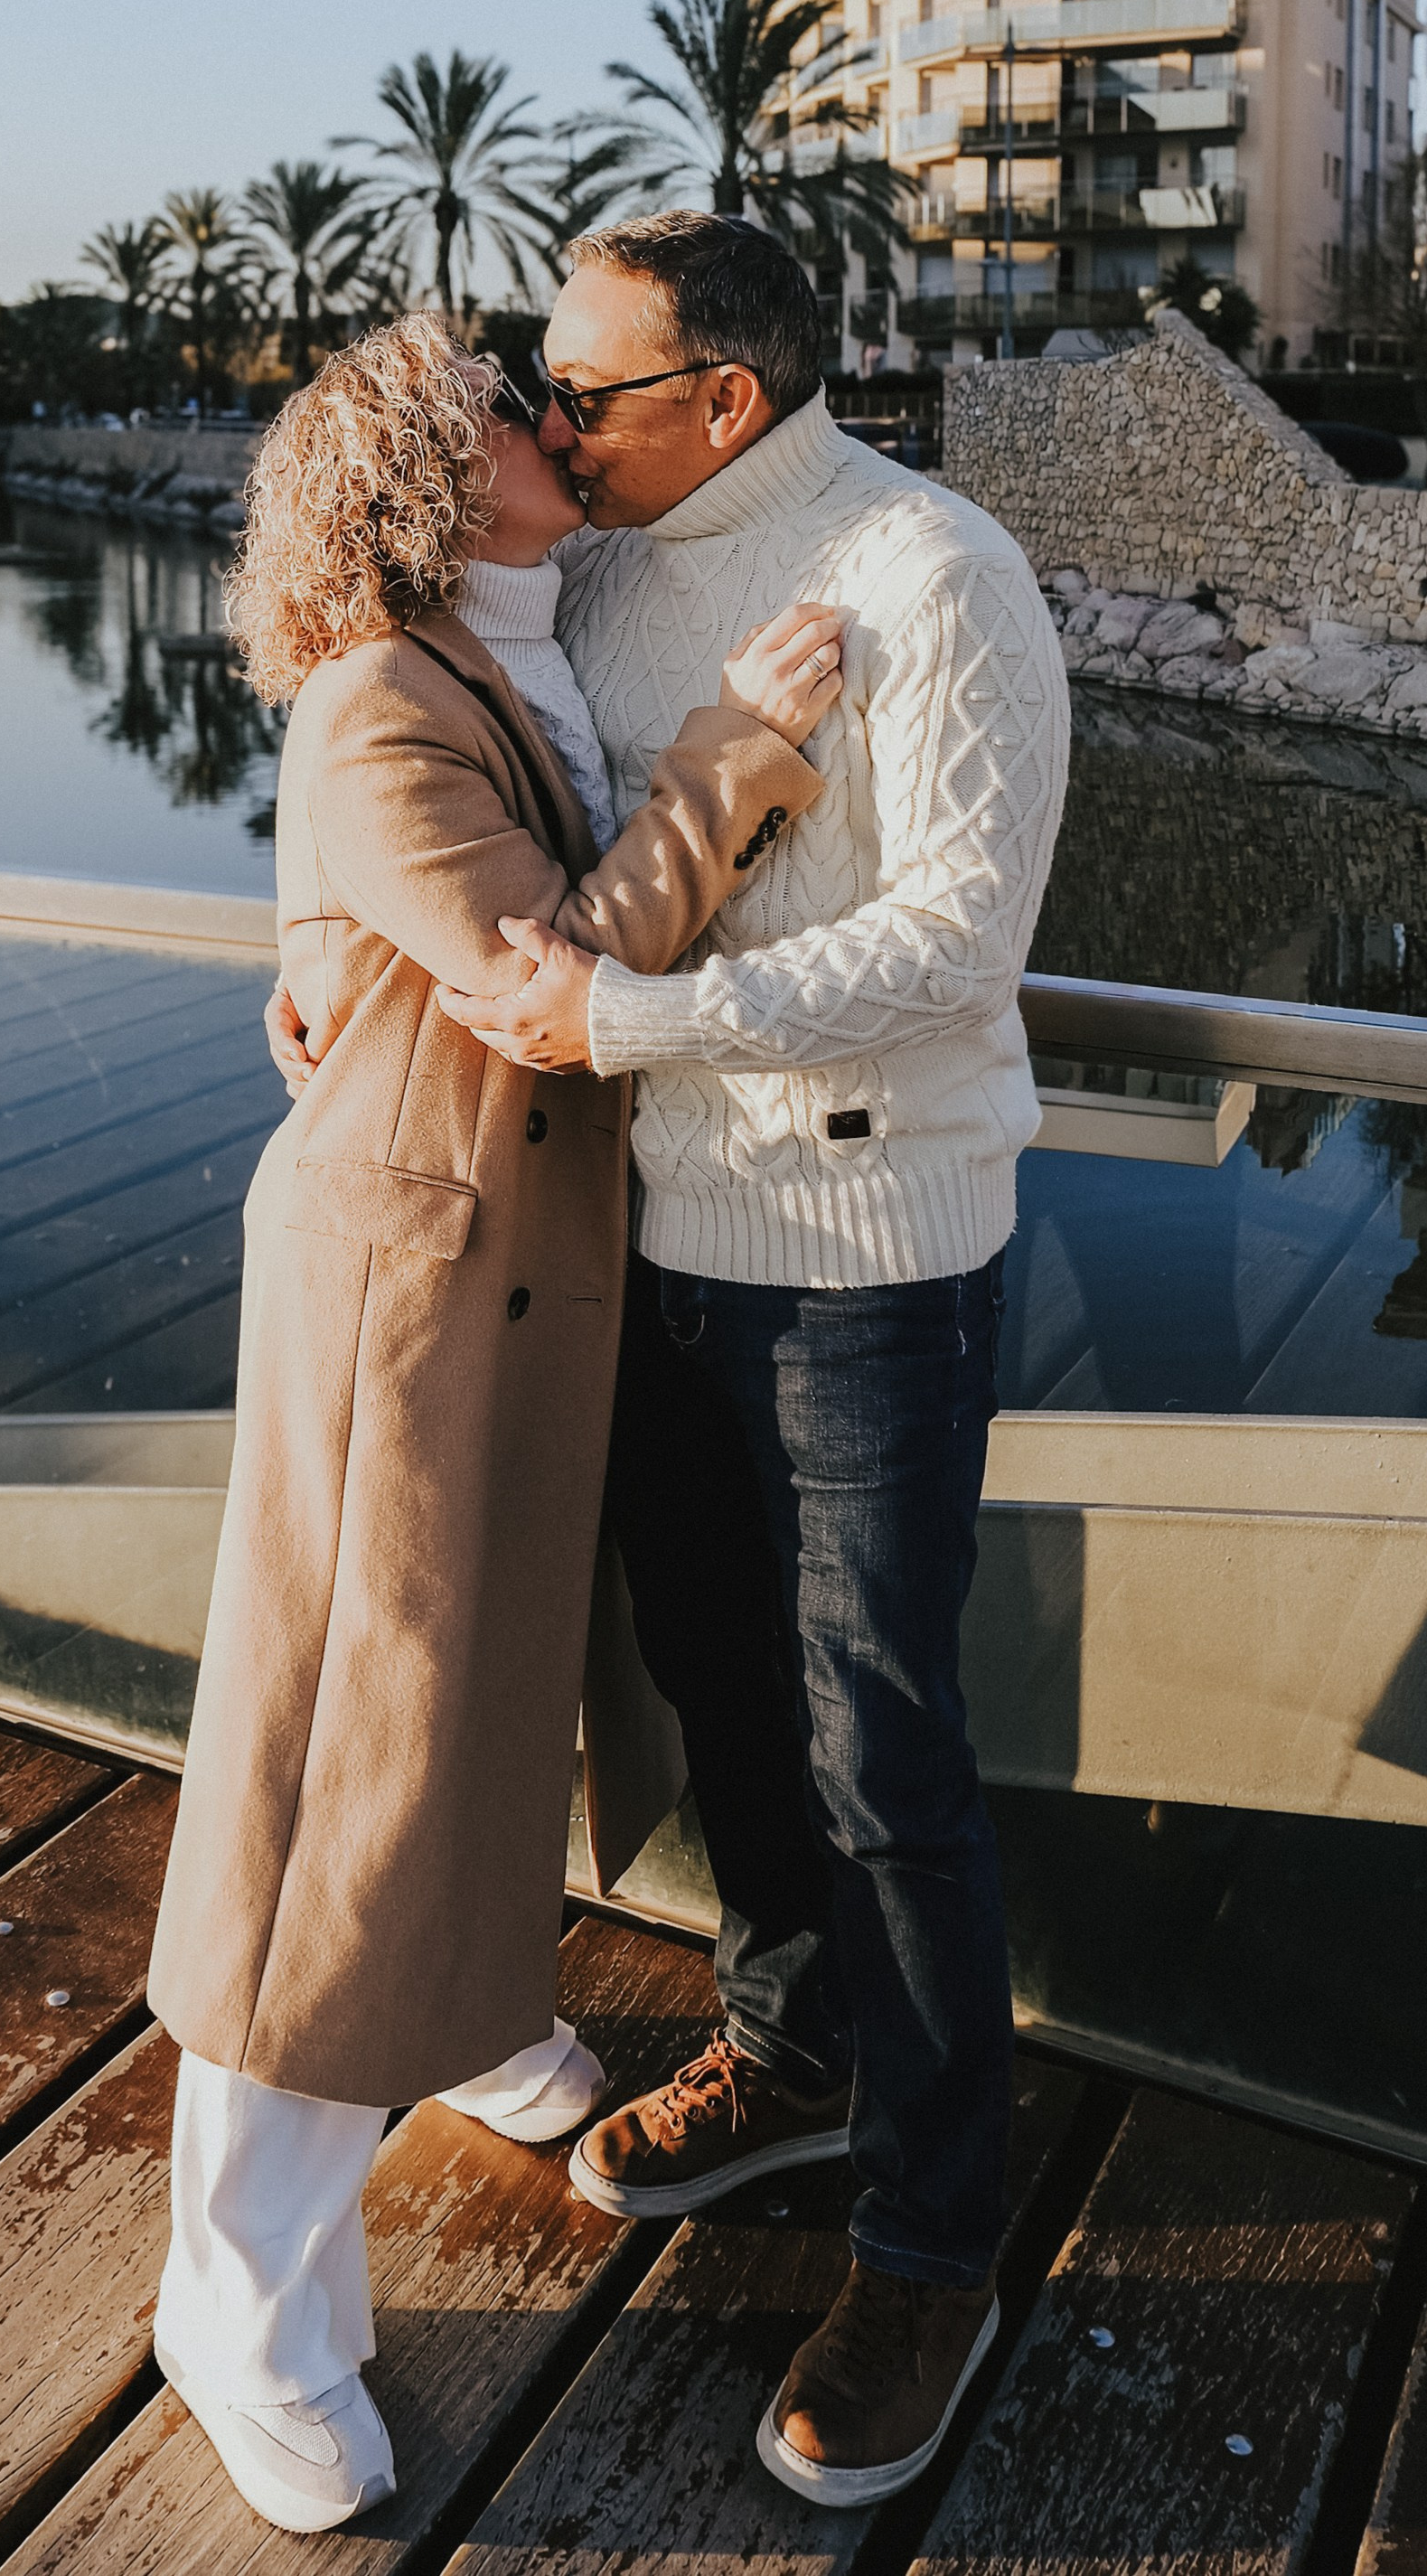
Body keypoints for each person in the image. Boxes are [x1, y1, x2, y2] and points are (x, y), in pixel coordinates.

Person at [273, 213, 1069, 2510]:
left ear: (721, 398)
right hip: (647, 1250)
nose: (547, 420)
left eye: (582, 391)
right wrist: (314, 940)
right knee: (728, 1690)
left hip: (868, 1264)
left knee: (885, 1750)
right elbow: (421, 748)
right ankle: (793, 2051)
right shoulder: (604, 572)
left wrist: (648, 1020)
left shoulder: (935, 573)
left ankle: (934, 2244)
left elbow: (958, 946)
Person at [145, 310, 845, 2535]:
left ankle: (453, 2010)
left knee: (481, 1700)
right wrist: (737, 757)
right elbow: (556, 991)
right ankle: (233, 2289)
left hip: (520, 1281)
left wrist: (302, 924)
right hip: (410, 1288)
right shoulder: (384, 699)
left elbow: (358, 866)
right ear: (430, 489)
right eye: (507, 419)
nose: (558, 426)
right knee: (340, 1756)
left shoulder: (519, 641)